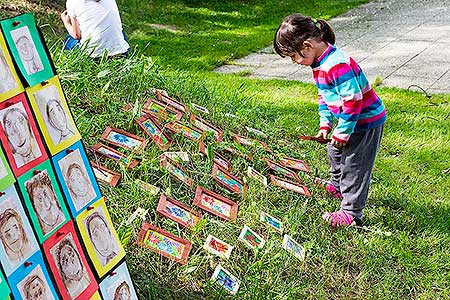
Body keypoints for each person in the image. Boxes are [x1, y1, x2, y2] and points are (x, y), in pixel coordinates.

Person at [274, 14, 386, 227]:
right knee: (334, 151)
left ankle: (351, 213)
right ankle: (337, 187)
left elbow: (353, 100)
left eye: (293, 56)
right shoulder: (319, 63)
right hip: (351, 120)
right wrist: (326, 125)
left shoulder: (336, 64)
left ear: (306, 45)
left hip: (365, 121)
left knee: (355, 166)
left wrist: (342, 132)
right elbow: (324, 96)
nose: (294, 62)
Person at [60, 0, 130, 58]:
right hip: (121, 53)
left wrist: (66, 22)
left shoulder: (72, 2)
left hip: (93, 56)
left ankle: (71, 63)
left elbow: (76, 35)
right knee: (120, 32)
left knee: (69, 39)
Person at [25, 171, 65, 236]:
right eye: (40, 198)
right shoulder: (42, 228)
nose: (46, 202)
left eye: (45, 194)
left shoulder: (62, 215)